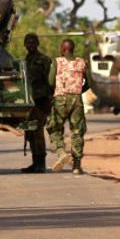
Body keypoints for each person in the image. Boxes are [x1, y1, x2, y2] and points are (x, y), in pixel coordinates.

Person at [47, 38, 88, 174]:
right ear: (72, 49)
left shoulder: (57, 61)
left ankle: (61, 152)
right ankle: (76, 166)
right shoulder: (81, 62)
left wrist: (56, 90)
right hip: (77, 99)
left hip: (60, 98)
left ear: (63, 49)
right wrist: (78, 90)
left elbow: (51, 81)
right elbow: (90, 83)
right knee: (77, 132)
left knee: (54, 128)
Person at [20, 33, 53, 173]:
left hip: (40, 101)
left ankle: (41, 163)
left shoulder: (44, 60)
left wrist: (49, 100)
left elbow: (51, 81)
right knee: (30, 132)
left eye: (33, 42)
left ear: (37, 43)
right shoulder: (25, 61)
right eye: (28, 42)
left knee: (38, 132)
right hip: (28, 102)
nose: (30, 45)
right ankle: (35, 163)